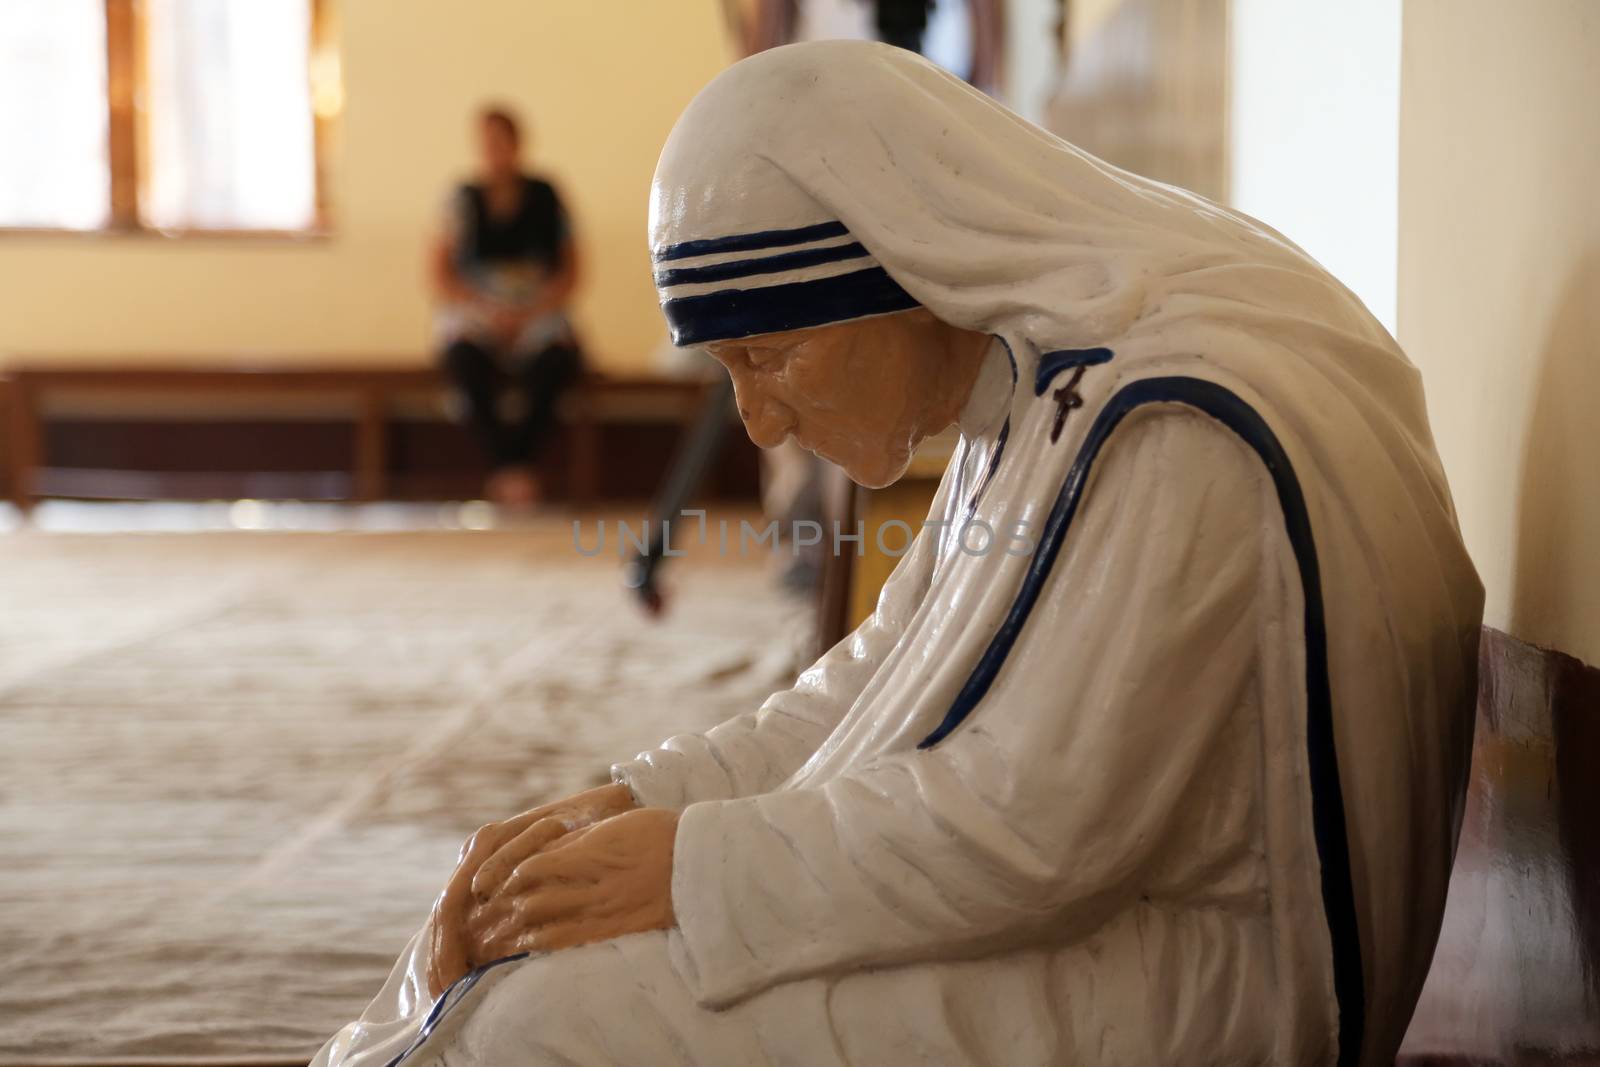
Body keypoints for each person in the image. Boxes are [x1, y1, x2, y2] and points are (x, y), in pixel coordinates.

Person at [315, 41, 1483, 1066]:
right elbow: (866, 683)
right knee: (512, 967)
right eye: (733, 378)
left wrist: (685, 865)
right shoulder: (1027, 397)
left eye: (772, 360)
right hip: (1082, 918)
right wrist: (629, 800)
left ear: (907, 264)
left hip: (1199, 980)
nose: (760, 423)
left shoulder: (1177, 425)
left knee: (538, 1022)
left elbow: (1035, 827)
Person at [432, 105, 581, 508]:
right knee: (463, 358)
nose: (495, 151)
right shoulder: (462, 199)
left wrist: (530, 312)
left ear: (518, 144)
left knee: (556, 360)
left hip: (537, 311)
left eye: (502, 141)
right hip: (480, 313)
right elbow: (441, 273)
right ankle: (510, 469)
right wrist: (486, 310)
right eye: (487, 143)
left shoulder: (547, 195)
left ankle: (515, 468)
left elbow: (570, 271)